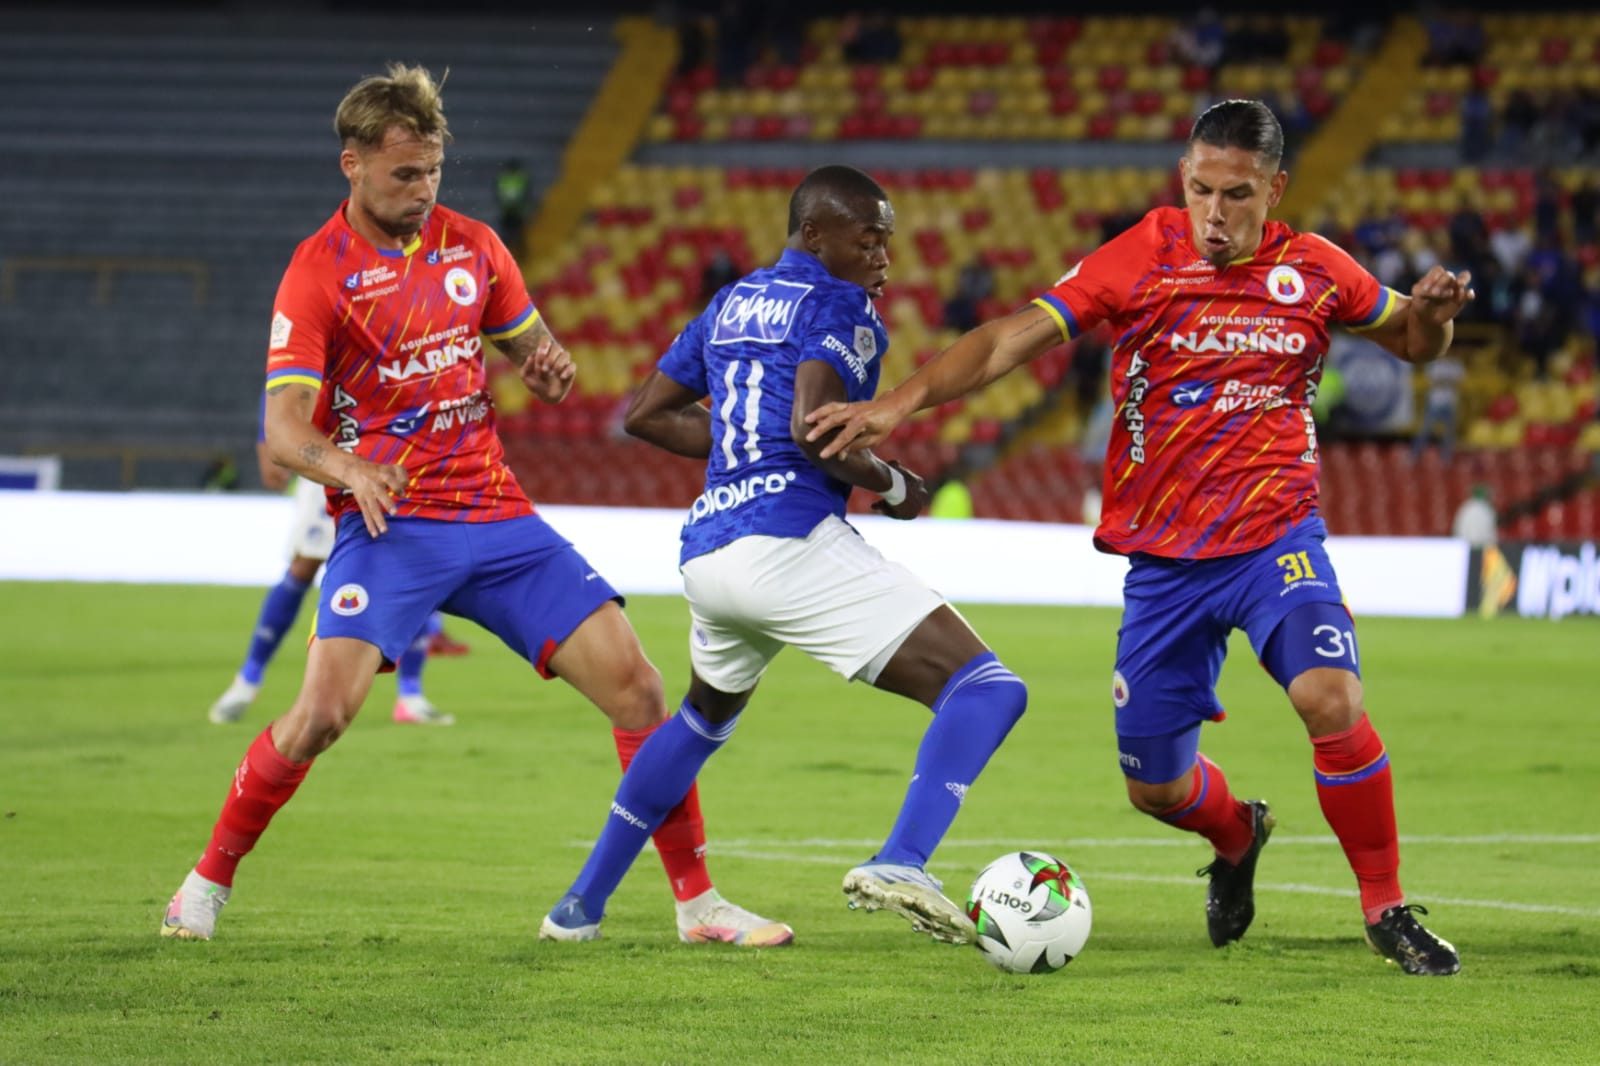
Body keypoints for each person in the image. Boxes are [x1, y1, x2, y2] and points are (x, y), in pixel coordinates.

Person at [807, 100, 1471, 976]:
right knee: (1156, 786)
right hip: (1163, 562)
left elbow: (1414, 342)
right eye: (1200, 189)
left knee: (1330, 698)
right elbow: (1012, 338)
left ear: (1275, 189)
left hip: (1278, 540)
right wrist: (897, 404)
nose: (1214, 213)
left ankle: (1385, 908)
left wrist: (1435, 312)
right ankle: (1239, 834)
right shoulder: (1143, 255)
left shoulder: (1316, 271)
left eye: (1236, 195)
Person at [161, 64, 788, 949]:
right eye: (403, 175)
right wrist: (348, 468)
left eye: (433, 174)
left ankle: (697, 906)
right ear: (352, 164)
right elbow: (281, 428)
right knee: (321, 717)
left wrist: (548, 363)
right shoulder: (317, 274)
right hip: (390, 528)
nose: (423, 193)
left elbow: (533, 344)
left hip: (494, 516)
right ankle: (204, 883)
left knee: (642, 691)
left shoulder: (474, 247)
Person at [539, 165, 1028, 945]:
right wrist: (895, 485)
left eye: (888, 241)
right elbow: (815, 429)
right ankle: (902, 860)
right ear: (814, 234)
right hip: (786, 541)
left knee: (701, 721)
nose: (883, 258)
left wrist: (745, 445)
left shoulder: (731, 301)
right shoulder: (841, 305)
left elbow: (645, 414)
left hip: (710, 553)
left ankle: (578, 908)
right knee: (988, 688)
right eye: (867, 239)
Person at [208, 432, 455, 727]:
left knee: (415, 567)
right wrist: (266, 439)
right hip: (334, 460)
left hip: (398, 458)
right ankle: (246, 682)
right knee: (304, 566)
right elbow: (281, 390)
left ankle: (411, 696)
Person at [1410, 353, 1465, 463]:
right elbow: (1433, 382)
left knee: (1449, 434)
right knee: (1425, 431)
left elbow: (1460, 383)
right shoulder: (1434, 364)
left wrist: (1443, 381)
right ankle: (1414, 456)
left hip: (1450, 403)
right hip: (1435, 403)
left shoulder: (1456, 365)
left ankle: (1446, 460)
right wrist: (1449, 381)